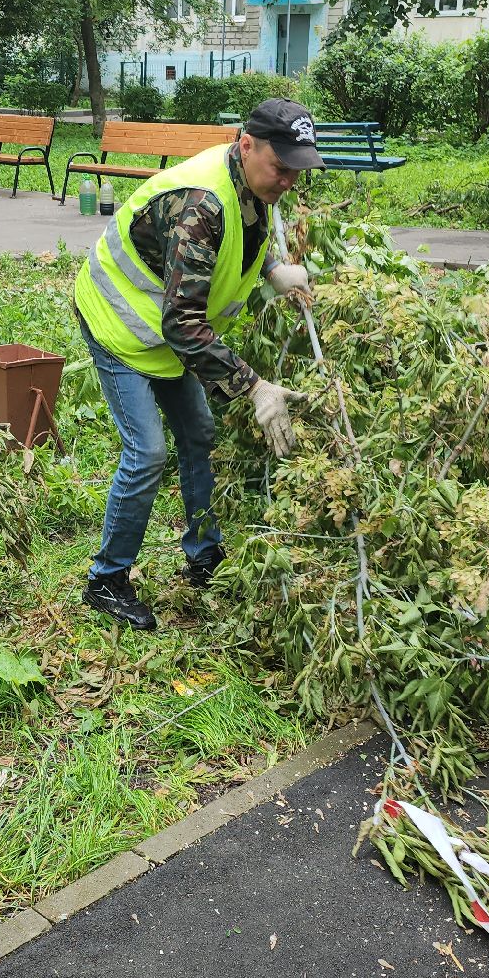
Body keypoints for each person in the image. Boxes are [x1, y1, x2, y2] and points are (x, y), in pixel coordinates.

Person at [74, 98, 323, 630]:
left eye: (297, 171)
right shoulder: (200, 204)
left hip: (168, 334)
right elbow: (183, 324)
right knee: (147, 451)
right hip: (119, 322)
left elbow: (246, 230)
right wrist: (254, 387)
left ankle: (203, 554)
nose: (288, 182)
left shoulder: (253, 181)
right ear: (246, 144)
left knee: (199, 432)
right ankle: (107, 580)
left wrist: (274, 268)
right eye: (282, 168)